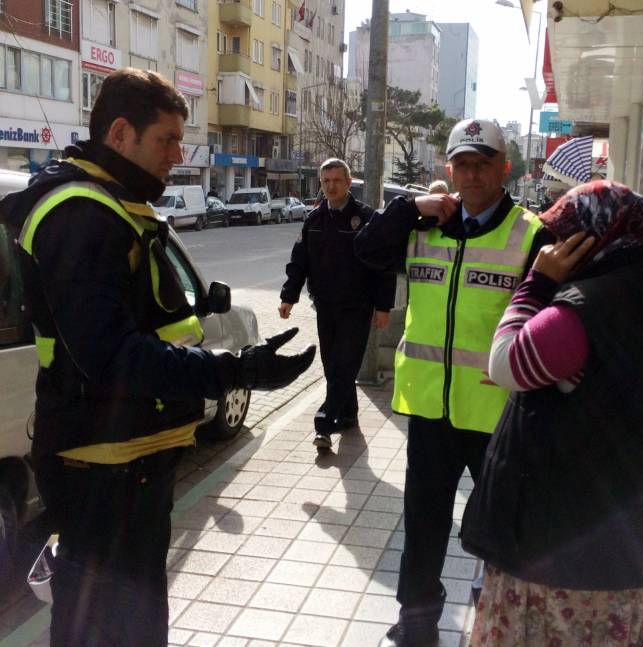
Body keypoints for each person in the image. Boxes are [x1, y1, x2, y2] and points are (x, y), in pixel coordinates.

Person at [0, 68, 315, 647]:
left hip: (123, 455)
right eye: (167, 139)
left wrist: (228, 365)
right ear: (121, 133)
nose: (178, 154)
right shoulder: (82, 216)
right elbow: (111, 356)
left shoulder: (109, 204)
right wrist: (235, 370)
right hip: (104, 463)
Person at [460, 180, 643, 646]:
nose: (551, 247)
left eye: (562, 236)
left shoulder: (583, 309)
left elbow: (504, 365)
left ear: (589, 239)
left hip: (574, 554)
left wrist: (537, 284)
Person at [355, 118, 555, 647]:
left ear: (503, 168)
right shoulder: (424, 227)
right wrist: (407, 207)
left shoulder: (532, 234)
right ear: (449, 170)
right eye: (462, 164)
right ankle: (418, 620)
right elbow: (364, 252)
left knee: (501, 525)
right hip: (429, 409)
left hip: (498, 413)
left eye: (482, 163)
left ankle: (499, 615)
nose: (472, 175)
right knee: (423, 521)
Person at [279, 158, 396, 449]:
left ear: (348, 183)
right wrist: (288, 296)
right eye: (326, 181)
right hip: (325, 305)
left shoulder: (366, 218)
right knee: (333, 365)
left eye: (336, 181)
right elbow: (299, 262)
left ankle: (324, 424)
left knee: (343, 365)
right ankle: (349, 415)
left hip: (357, 306)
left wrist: (383, 307)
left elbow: (384, 266)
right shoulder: (314, 220)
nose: (330, 186)